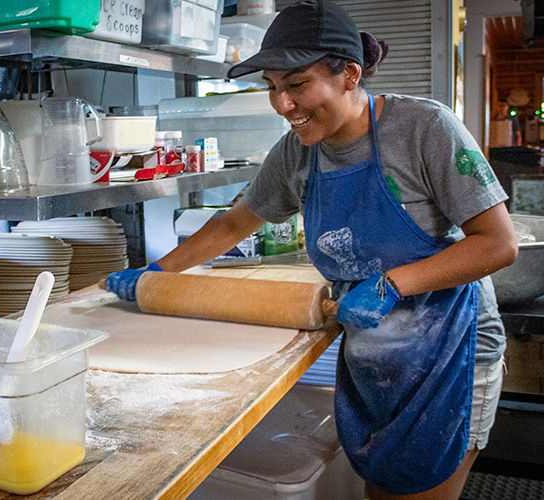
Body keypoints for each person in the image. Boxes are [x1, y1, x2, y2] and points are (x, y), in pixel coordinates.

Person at [106, 1, 519, 498]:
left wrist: (393, 285)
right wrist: (157, 272)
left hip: (452, 352)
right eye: (272, 88)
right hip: (375, 357)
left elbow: (497, 244)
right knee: (381, 492)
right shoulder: (296, 152)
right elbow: (237, 220)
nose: (283, 104)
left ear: (349, 73)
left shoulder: (424, 129)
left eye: (297, 84)